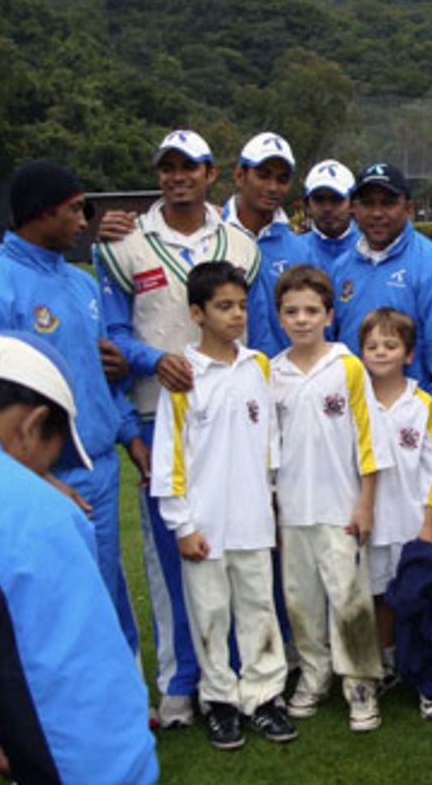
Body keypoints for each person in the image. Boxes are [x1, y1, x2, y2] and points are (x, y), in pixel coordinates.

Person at [94, 128, 261, 728]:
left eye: (188, 166)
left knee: (234, 547)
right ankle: (179, 678)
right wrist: (152, 360)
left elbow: (254, 330)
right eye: (166, 167)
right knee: (173, 555)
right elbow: (112, 335)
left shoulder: (239, 243)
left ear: (210, 173)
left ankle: (239, 670)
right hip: (155, 409)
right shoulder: (125, 245)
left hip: (226, 412)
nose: (176, 177)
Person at [0, 160, 146, 656]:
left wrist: (131, 438)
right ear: (41, 213)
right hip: (37, 475)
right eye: (75, 210)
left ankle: (118, 695)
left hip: (100, 468)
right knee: (50, 598)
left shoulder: (82, 285)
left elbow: (100, 376)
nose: (84, 222)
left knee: (106, 586)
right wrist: (31, 475)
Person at [0, 332, 158, 785]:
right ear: (32, 424)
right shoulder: (19, 508)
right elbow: (87, 740)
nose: (44, 477)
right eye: (48, 461)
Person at [149, 261, 295, 750]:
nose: (237, 316)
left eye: (242, 306)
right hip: (205, 525)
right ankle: (221, 703)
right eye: (223, 307)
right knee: (210, 614)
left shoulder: (258, 367)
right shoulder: (183, 376)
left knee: (259, 610)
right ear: (197, 312)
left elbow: (270, 441)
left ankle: (265, 696)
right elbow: (168, 456)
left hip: (252, 519)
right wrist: (182, 524)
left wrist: (272, 501)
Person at [270, 265, 393, 732]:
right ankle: (314, 675)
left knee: (348, 597)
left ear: (329, 314)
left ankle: (360, 683)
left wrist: (365, 503)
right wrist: (272, 503)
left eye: (311, 311)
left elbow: (368, 442)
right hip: (293, 510)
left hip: (341, 508)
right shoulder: (273, 372)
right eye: (291, 311)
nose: (302, 319)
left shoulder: (347, 367)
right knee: (300, 599)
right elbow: (269, 449)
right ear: (280, 316)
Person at [359, 307, 432, 714]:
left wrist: (429, 521)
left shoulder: (422, 403)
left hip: (412, 524)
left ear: (409, 354)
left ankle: (426, 675)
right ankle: (385, 665)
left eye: (390, 345)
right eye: (372, 345)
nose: (380, 352)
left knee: (418, 598)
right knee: (378, 597)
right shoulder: (354, 402)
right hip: (371, 524)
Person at [332, 162, 432, 397]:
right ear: (354, 209)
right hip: (350, 409)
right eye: (367, 203)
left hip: (408, 415)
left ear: (408, 208)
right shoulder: (341, 267)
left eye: (388, 203)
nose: (377, 213)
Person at [222, 131, 316, 356]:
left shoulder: (301, 251)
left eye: (282, 179)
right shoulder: (213, 239)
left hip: (286, 381)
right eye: (263, 175)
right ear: (239, 175)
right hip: (228, 379)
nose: (273, 187)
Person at [301, 159, 359, 275]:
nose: (327, 208)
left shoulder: (371, 250)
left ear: (352, 203)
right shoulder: (295, 251)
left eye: (336, 199)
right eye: (319, 199)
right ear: (307, 205)